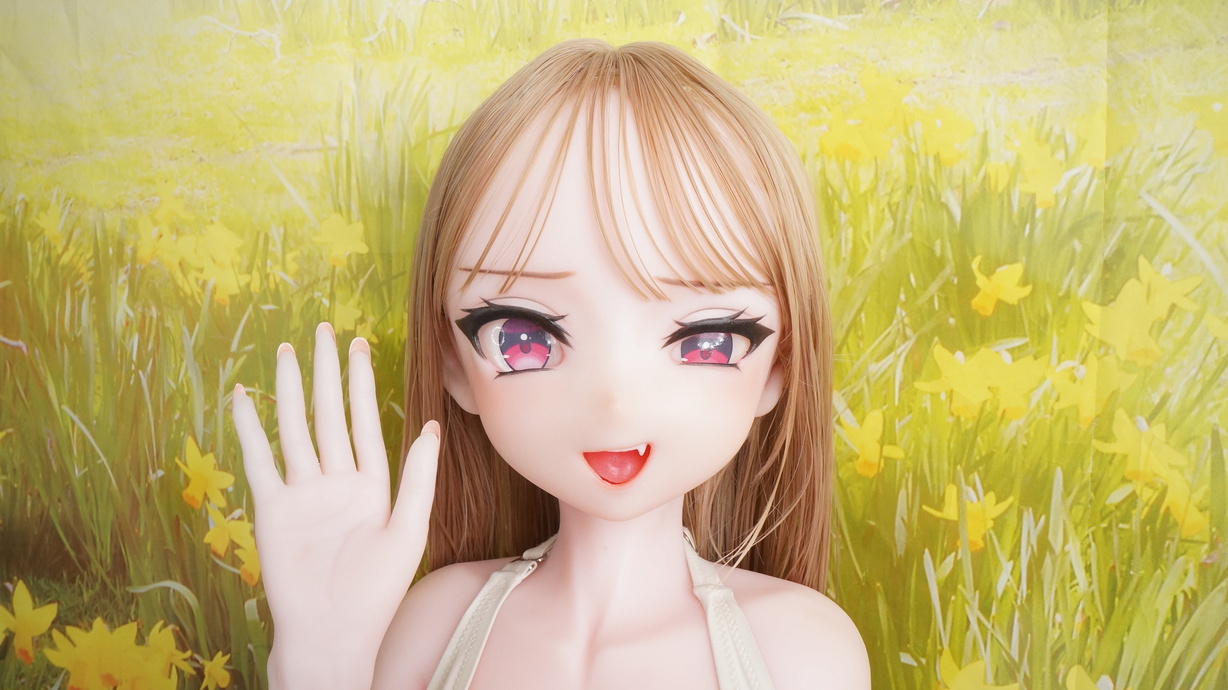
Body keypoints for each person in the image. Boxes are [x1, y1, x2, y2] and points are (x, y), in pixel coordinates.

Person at [232, 39, 870, 689]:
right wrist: (323, 657)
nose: (614, 399)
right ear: (453, 361)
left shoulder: (799, 652)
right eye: (524, 339)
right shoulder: (436, 623)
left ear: (779, 366)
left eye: (706, 341)